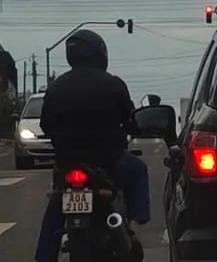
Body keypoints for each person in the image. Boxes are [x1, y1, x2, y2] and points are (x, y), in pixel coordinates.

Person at [34, 29, 149, 262]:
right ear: (99, 53)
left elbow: (45, 124)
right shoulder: (114, 84)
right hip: (109, 161)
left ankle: (44, 256)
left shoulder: (56, 87)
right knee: (138, 170)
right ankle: (134, 227)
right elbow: (131, 122)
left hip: (68, 163)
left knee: (58, 201)